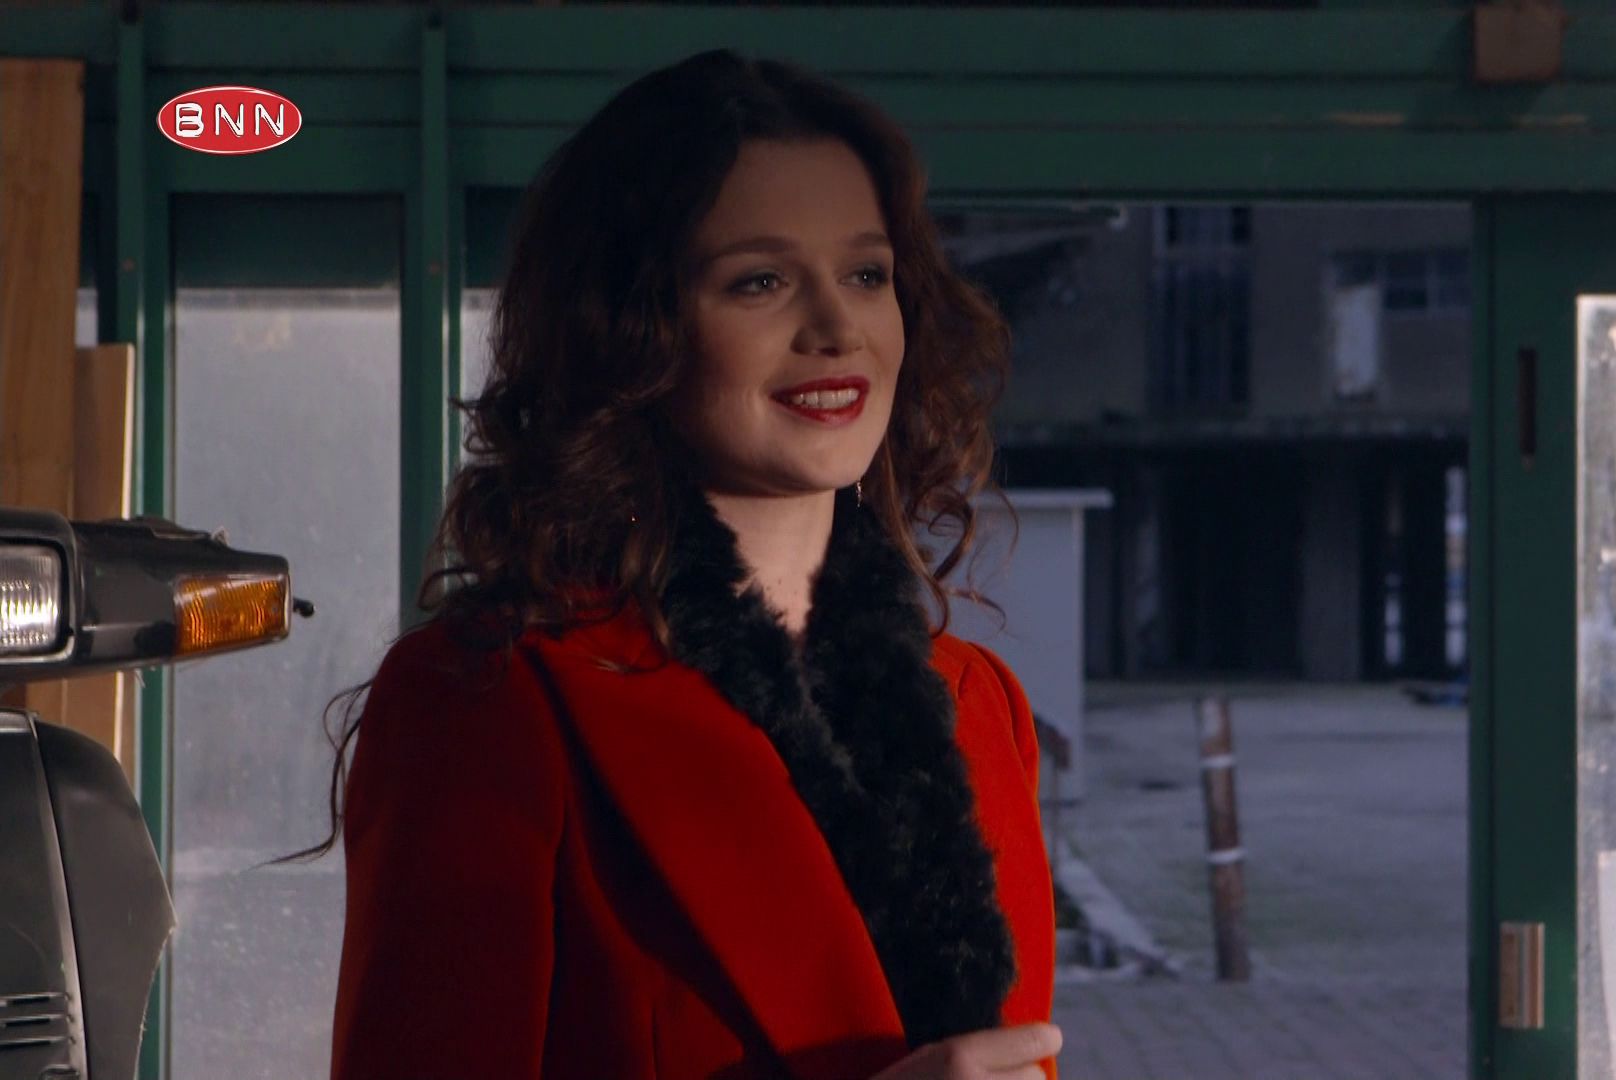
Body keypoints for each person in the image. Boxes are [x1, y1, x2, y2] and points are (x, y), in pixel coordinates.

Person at [310, 47, 1062, 1080]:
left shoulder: (983, 707)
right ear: (633, 331)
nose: (836, 327)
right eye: (760, 281)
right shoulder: (492, 700)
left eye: (866, 274)